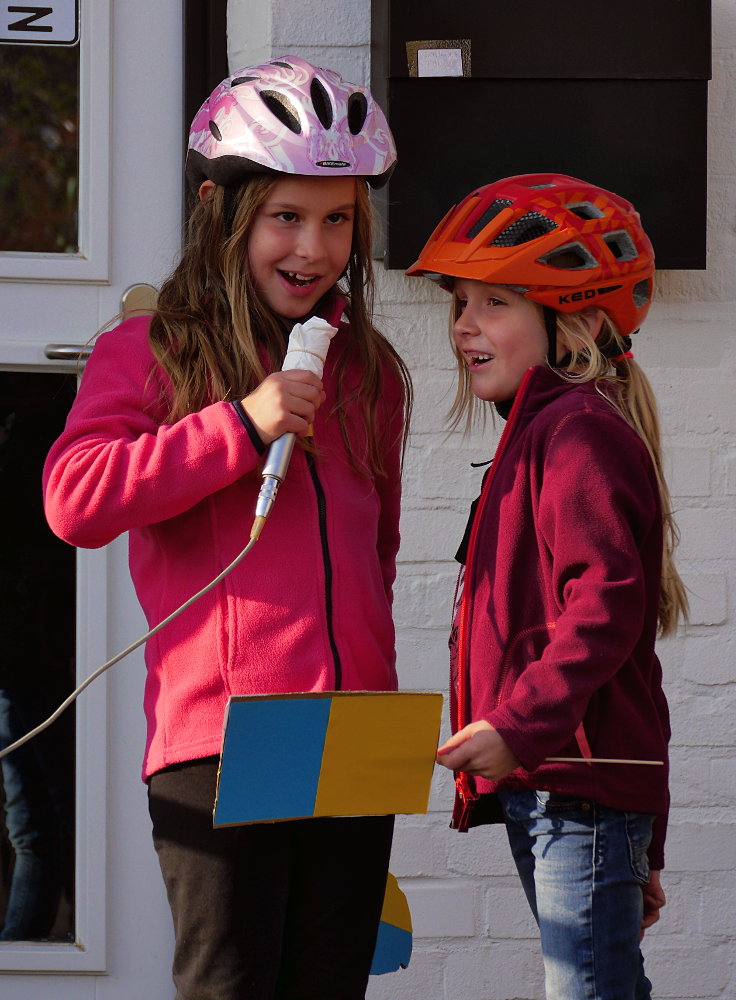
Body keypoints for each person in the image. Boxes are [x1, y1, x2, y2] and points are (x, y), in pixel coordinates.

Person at [43, 56, 411, 1000]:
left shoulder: (374, 373)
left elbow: (379, 554)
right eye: (286, 216)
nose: (314, 246)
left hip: (359, 728)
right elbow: (75, 499)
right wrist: (239, 425)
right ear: (222, 210)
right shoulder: (152, 348)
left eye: (338, 220)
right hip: (226, 731)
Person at [407, 173, 687, 1000]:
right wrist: (645, 843)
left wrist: (519, 725)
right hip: (568, 789)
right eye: (460, 304)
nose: (465, 326)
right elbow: (636, 668)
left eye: (494, 303)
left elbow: (604, 612)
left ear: (575, 322)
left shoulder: (574, 436)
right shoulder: (548, 434)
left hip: (574, 788)